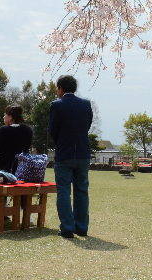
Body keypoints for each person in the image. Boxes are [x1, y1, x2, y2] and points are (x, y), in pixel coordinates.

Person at [49, 75, 93, 239]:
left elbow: (53, 130)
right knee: (82, 191)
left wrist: (61, 141)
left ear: (60, 88)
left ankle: (67, 227)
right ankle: (81, 227)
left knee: (63, 191)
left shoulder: (56, 105)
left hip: (64, 153)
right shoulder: (86, 104)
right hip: (82, 152)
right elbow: (87, 126)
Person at [0, 105, 33, 173]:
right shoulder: (28, 130)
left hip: (2, 170)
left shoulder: (3, 130)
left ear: (10, 117)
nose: (3, 116)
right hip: (21, 171)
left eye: (5, 114)